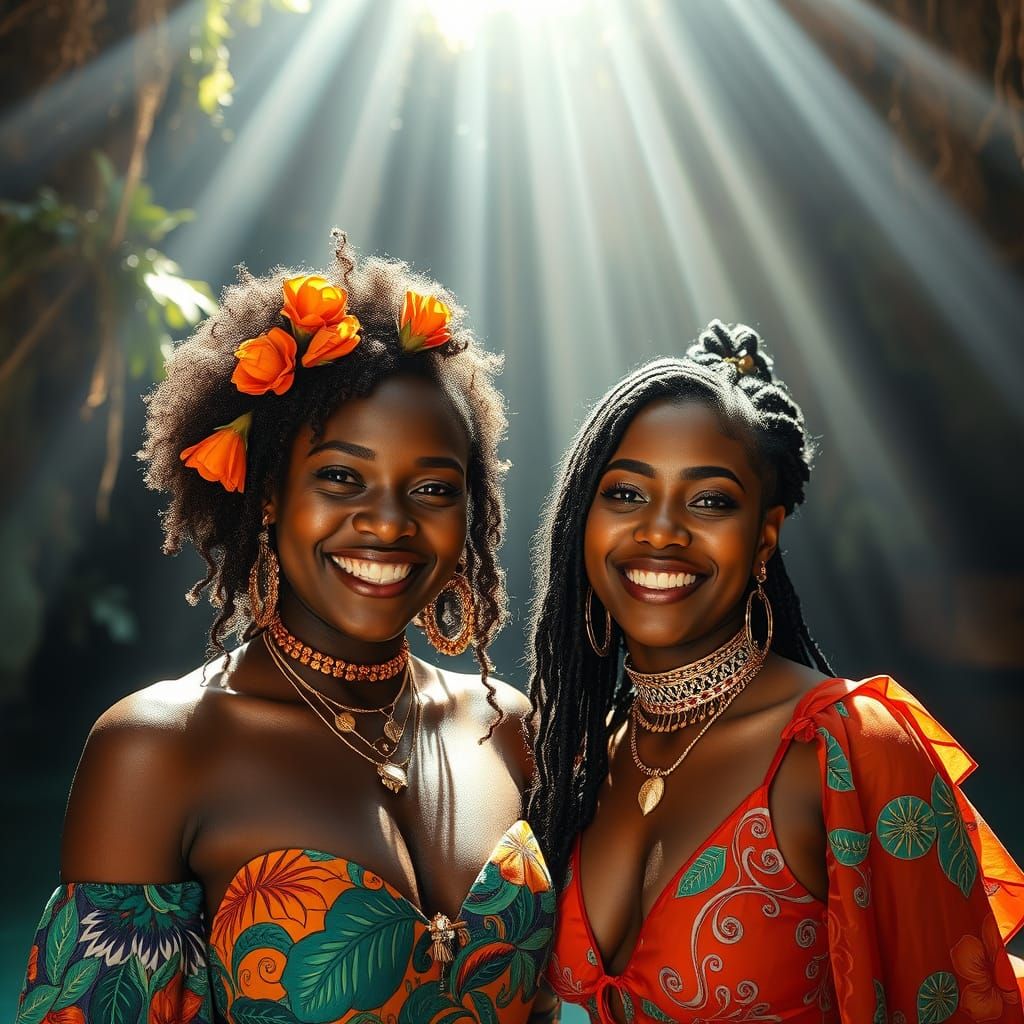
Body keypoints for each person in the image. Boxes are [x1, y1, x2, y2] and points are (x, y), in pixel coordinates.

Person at [16, 233, 555, 1024]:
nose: (387, 522)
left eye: (434, 487)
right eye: (341, 477)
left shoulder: (508, 727)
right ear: (268, 493)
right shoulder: (158, 752)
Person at [527, 321, 1024, 1023]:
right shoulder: (576, 760)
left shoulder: (843, 751)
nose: (662, 530)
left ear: (765, 534)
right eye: (627, 494)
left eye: (709, 501)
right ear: (583, 519)